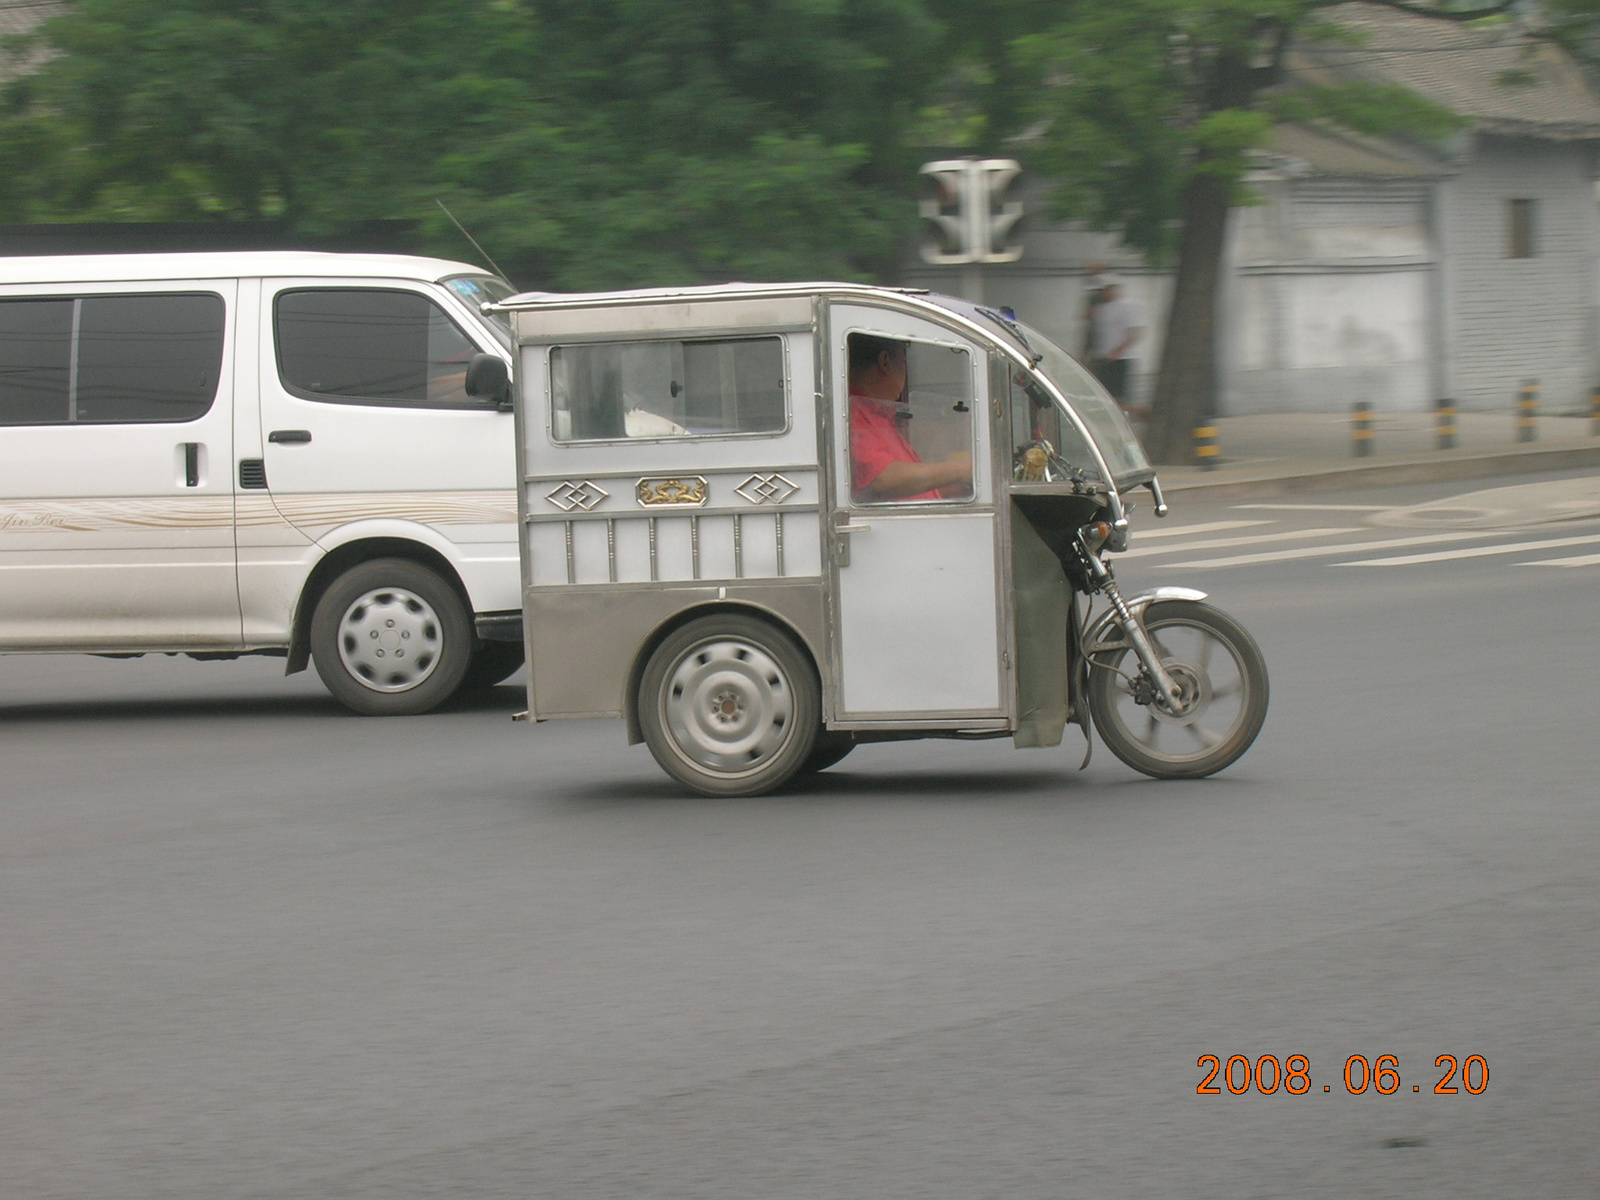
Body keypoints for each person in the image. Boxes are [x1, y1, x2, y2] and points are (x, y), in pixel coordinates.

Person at [847, 334, 972, 502]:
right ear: (885, 362)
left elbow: (905, 488)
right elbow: (881, 479)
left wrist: (959, 485)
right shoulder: (852, 413)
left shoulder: (879, 415)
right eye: (904, 364)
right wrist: (961, 470)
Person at [1089, 278, 1145, 410]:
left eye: (1103, 290)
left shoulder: (1126, 306)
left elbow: (1136, 332)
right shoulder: (1102, 308)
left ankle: (1139, 414)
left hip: (1120, 358)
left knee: (1119, 396)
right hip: (1102, 357)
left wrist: (1118, 351)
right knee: (1105, 394)